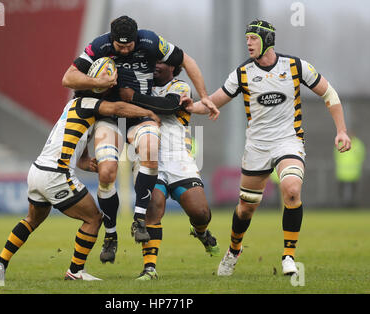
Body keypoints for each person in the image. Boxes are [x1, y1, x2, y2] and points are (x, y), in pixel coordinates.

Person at [186, 20, 351, 276]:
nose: (248, 43)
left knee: (292, 189)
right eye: (246, 39)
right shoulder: (242, 72)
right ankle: (234, 250)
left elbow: (330, 95)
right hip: (257, 148)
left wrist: (341, 130)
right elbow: (215, 100)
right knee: (246, 208)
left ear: (266, 40)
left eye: (253, 38)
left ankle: (288, 256)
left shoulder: (295, 66)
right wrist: (190, 106)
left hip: (289, 141)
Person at [62, 15, 219, 262]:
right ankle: (111, 235)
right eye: (119, 46)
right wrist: (98, 81)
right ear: (111, 39)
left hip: (138, 116)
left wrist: (204, 95)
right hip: (110, 117)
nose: (124, 50)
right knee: (106, 173)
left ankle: (138, 220)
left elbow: (186, 59)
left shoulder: (151, 42)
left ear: (136, 39)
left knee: (150, 144)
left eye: (129, 45)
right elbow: (68, 79)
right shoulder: (98, 46)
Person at [0, 90, 161, 282]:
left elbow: (76, 147)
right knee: (94, 219)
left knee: (31, 220)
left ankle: (0, 264)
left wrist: (86, 162)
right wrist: (148, 113)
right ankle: (75, 271)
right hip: (56, 174)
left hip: (37, 170)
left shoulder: (73, 108)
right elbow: (117, 108)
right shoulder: (86, 102)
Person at [134, 61, 220, 280]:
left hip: (178, 158)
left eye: (160, 62)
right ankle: (149, 268)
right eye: (153, 61)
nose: (155, 65)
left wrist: (133, 99)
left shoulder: (180, 87)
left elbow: (168, 107)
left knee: (200, 213)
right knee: (153, 207)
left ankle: (200, 231)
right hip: (150, 157)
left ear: (173, 67)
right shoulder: (141, 85)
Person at [334, 133, 365, 207]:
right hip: (342, 172)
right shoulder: (341, 142)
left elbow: (361, 156)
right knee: (341, 190)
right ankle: (342, 204)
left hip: (354, 172)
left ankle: (353, 204)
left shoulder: (358, 144)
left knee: (354, 190)